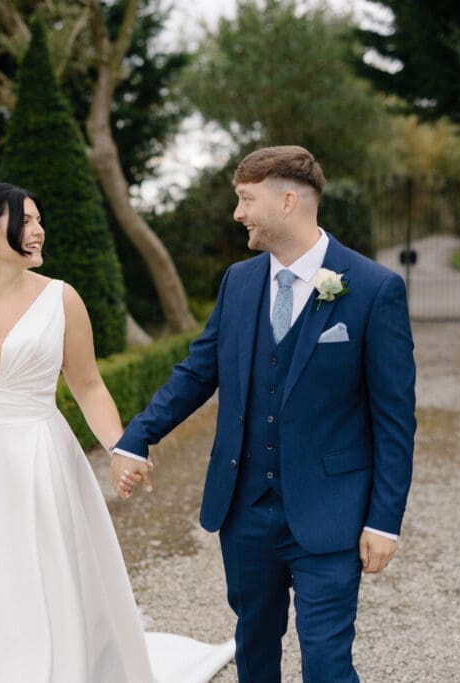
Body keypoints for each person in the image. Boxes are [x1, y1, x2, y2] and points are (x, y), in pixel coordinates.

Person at [0, 182, 232, 682]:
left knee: (47, 573)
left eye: (40, 219)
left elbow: (87, 385)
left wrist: (121, 447)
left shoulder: (62, 299)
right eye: (27, 220)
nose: (40, 230)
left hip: (40, 454)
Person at [111, 146, 416, 682]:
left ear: (289, 201)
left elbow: (394, 419)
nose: (238, 214)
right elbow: (197, 373)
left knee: (326, 661)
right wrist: (137, 437)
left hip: (332, 513)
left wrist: (383, 520)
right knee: (254, 647)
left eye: (247, 200)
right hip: (245, 510)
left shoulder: (372, 289)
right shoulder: (240, 282)